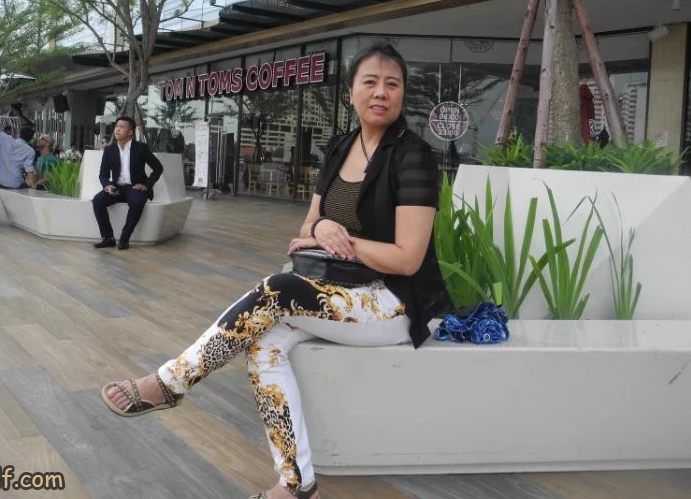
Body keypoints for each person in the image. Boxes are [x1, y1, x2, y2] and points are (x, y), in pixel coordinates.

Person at [100, 44, 449, 499]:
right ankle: (297, 484)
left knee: (277, 290)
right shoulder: (340, 148)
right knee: (263, 344)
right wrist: (321, 228)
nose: (381, 92)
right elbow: (308, 226)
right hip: (338, 291)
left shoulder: (413, 156)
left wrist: (346, 240)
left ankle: (170, 382)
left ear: (402, 94)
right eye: (370, 82)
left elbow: (408, 259)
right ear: (350, 93)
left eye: (392, 84)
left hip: (392, 302)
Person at [91, 116, 163, 250]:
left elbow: (158, 168)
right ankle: (108, 238)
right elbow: (103, 174)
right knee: (97, 200)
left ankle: (124, 238)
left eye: (122, 127)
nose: (117, 129)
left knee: (137, 203)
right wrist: (107, 186)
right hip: (116, 188)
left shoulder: (141, 148)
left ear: (130, 132)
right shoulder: (109, 150)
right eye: (116, 126)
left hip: (135, 187)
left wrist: (146, 185)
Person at [0, 117, 37, 222]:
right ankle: (20, 216)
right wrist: (32, 185)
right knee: (24, 186)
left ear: (18, 134)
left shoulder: (6, 139)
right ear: (30, 139)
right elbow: (29, 170)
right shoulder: (30, 151)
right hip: (14, 183)